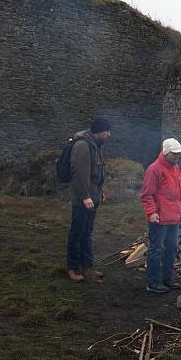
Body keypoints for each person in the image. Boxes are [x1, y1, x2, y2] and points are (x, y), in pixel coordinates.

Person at [66, 117, 112, 282]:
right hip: (82, 199)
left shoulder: (96, 145)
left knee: (87, 233)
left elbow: (95, 174)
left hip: (93, 197)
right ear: (99, 131)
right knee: (77, 233)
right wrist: (85, 196)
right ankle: (72, 268)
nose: (109, 134)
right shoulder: (83, 146)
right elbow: (79, 174)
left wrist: (99, 192)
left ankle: (87, 267)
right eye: (107, 131)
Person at [140, 138, 181, 293]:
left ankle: (167, 279)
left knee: (172, 249)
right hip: (159, 218)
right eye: (175, 154)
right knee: (156, 249)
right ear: (166, 153)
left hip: (174, 217)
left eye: (179, 154)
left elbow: (178, 191)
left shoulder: (175, 167)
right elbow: (147, 195)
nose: (178, 156)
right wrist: (151, 212)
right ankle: (153, 283)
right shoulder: (154, 169)